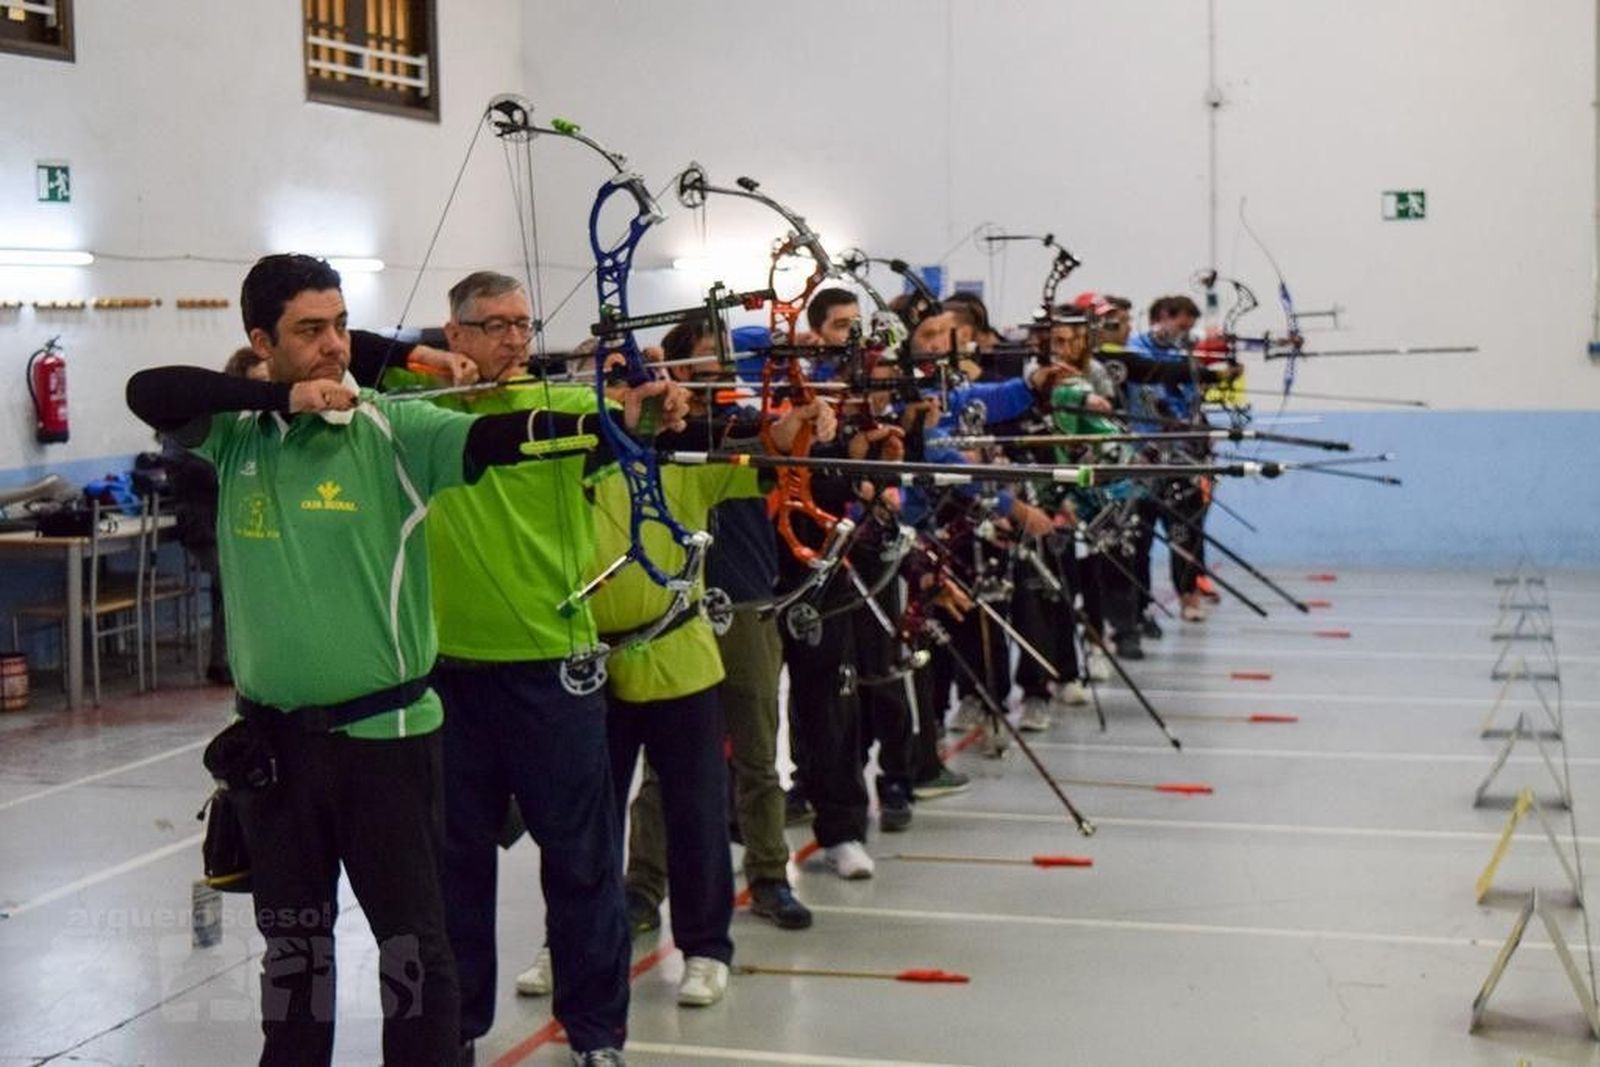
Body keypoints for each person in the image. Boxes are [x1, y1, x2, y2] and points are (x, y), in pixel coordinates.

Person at [124, 254, 672, 1067]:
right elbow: (149, 389)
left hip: (388, 743)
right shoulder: (237, 434)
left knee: (415, 953)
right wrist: (282, 397)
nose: (335, 346)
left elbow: (502, 434)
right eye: (310, 331)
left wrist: (616, 422)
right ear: (261, 341)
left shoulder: (393, 428)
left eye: (342, 326)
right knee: (294, 957)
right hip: (274, 755)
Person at [374, 271, 683, 1065]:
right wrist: (424, 369)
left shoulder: (568, 410)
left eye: (524, 322)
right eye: (495, 324)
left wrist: (656, 400)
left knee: (582, 864)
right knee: (454, 868)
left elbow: (632, 421)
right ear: (456, 331)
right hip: (449, 674)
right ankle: (460, 1027)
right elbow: (358, 368)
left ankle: (595, 1034)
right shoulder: (418, 410)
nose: (515, 338)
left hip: (555, 671)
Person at [620, 319, 817, 932]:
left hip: (749, 605)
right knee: (661, 771)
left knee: (759, 759)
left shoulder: (746, 425)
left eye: (728, 361)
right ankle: (642, 891)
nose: (723, 371)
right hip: (675, 614)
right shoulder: (655, 433)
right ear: (676, 369)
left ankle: (768, 877)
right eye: (707, 360)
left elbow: (777, 448)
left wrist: (798, 429)